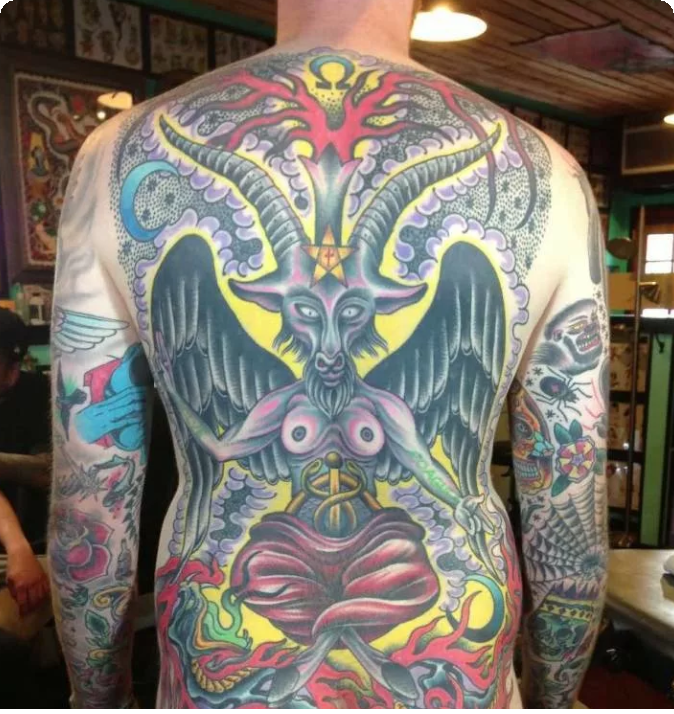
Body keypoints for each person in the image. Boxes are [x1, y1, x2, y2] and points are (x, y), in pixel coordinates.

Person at [48, 0, 608, 708]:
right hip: (450, 669)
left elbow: (91, 501)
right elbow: (568, 501)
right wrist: (558, 699)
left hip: (226, 670)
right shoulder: (552, 177)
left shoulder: (116, 156)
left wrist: (95, 701)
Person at [0, 308, 50, 616]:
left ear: (14, 366)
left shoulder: (39, 394)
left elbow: (49, 472)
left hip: (38, 542)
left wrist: (19, 548)